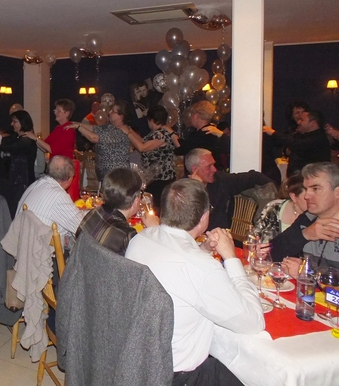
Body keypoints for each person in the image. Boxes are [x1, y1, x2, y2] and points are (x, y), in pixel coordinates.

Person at [125, 178, 264, 385]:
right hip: (176, 376)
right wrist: (231, 258)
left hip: (138, 361)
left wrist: (204, 250)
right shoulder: (203, 270)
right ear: (205, 216)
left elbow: (178, 266)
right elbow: (253, 322)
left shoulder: (141, 238)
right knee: (255, 374)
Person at [271, 163, 339, 272]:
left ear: (337, 192)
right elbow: (272, 253)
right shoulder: (308, 218)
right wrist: (305, 234)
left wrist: (307, 273)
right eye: (306, 189)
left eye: (315, 189)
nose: (307, 196)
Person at [186, 148, 274, 231]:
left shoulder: (220, 180)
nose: (214, 169)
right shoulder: (183, 190)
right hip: (193, 238)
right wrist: (197, 187)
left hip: (220, 237)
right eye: (209, 166)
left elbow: (254, 177)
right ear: (195, 169)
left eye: (213, 165)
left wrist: (275, 188)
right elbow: (191, 218)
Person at [77, 167, 159, 255]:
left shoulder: (93, 213)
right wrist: (156, 230)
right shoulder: (127, 235)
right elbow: (150, 257)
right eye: (140, 194)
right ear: (135, 201)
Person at [15, 156, 84, 245]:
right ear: (70, 178)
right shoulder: (59, 196)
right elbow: (82, 228)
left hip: (21, 244)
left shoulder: (36, 184)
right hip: (39, 250)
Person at [118, 105, 180, 202]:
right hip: (156, 178)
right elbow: (143, 141)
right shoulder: (157, 132)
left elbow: (142, 148)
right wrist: (130, 130)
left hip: (162, 179)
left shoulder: (160, 134)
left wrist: (128, 133)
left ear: (151, 120)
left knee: (156, 205)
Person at [71, 100, 132, 181]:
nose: (109, 112)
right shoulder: (110, 127)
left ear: (120, 116)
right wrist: (76, 123)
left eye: (113, 111)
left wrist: (78, 127)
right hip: (107, 176)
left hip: (117, 177)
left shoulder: (121, 131)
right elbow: (93, 128)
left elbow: (94, 138)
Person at [264, 110, 331, 175]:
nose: (298, 122)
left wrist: (274, 133)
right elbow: (290, 144)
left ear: (313, 123)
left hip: (310, 176)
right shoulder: (302, 135)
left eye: (302, 120)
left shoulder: (319, 138)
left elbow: (298, 144)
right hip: (299, 175)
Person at [0, 109, 38, 216]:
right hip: (19, 181)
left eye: (15, 122)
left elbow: (7, 148)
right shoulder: (19, 138)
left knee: (17, 210)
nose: (12, 124)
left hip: (23, 182)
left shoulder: (25, 141)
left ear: (23, 123)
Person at [174, 101, 225, 172]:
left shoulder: (200, 135)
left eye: (191, 114)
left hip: (202, 173)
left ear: (196, 116)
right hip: (213, 171)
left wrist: (171, 134)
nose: (190, 117)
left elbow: (182, 149)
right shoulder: (213, 130)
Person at [253, 174, 306, 240]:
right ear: (293, 197)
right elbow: (256, 234)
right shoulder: (274, 207)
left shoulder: (314, 216)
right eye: (306, 196)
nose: (312, 198)